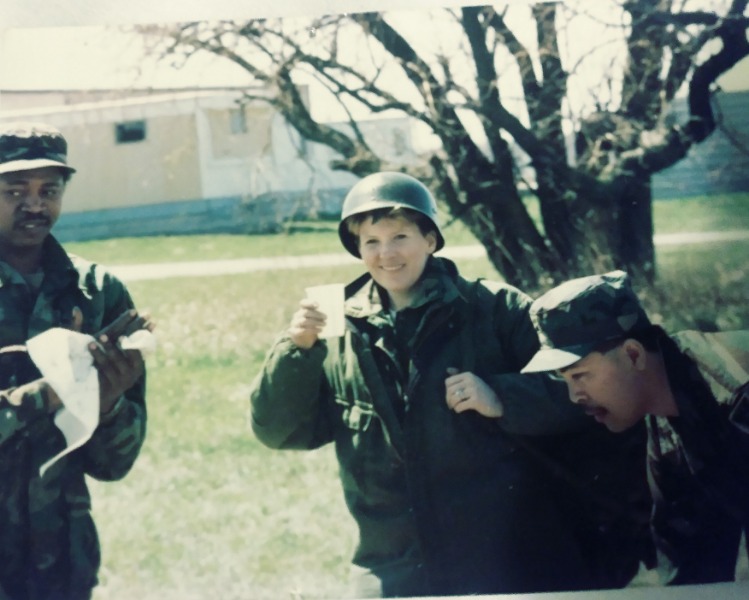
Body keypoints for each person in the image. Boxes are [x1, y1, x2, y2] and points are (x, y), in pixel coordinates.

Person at [249, 172, 652, 597]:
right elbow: (278, 431)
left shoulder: (497, 310)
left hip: (503, 557)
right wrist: (295, 350)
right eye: (371, 242)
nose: (386, 254)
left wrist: (503, 397)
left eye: (400, 236)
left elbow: (593, 399)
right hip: (393, 564)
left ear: (431, 240)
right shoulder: (334, 330)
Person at [0, 121, 151, 600]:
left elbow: (113, 465)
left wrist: (109, 404)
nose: (34, 204)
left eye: (50, 189)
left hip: (60, 561)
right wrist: (54, 391)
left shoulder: (97, 292)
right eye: (14, 189)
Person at [521, 270, 749, 585]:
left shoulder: (738, 392)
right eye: (565, 379)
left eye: (580, 375)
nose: (574, 396)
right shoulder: (665, 415)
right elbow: (690, 563)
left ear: (633, 354)